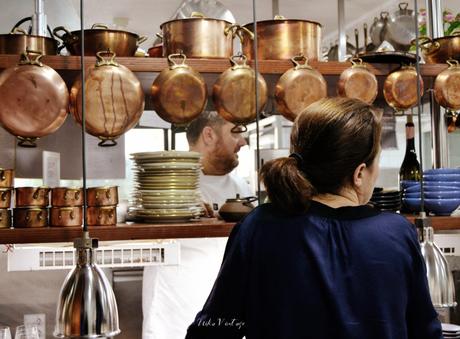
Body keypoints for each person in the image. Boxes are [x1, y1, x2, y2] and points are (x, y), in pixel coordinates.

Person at [185, 97, 442, 339]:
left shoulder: (259, 226)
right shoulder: (396, 233)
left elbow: (213, 329)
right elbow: (425, 332)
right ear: (359, 173)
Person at [142, 111, 252, 339]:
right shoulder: (168, 182)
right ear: (209, 135)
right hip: (174, 308)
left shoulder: (241, 185)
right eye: (236, 133)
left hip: (225, 310)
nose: (243, 141)